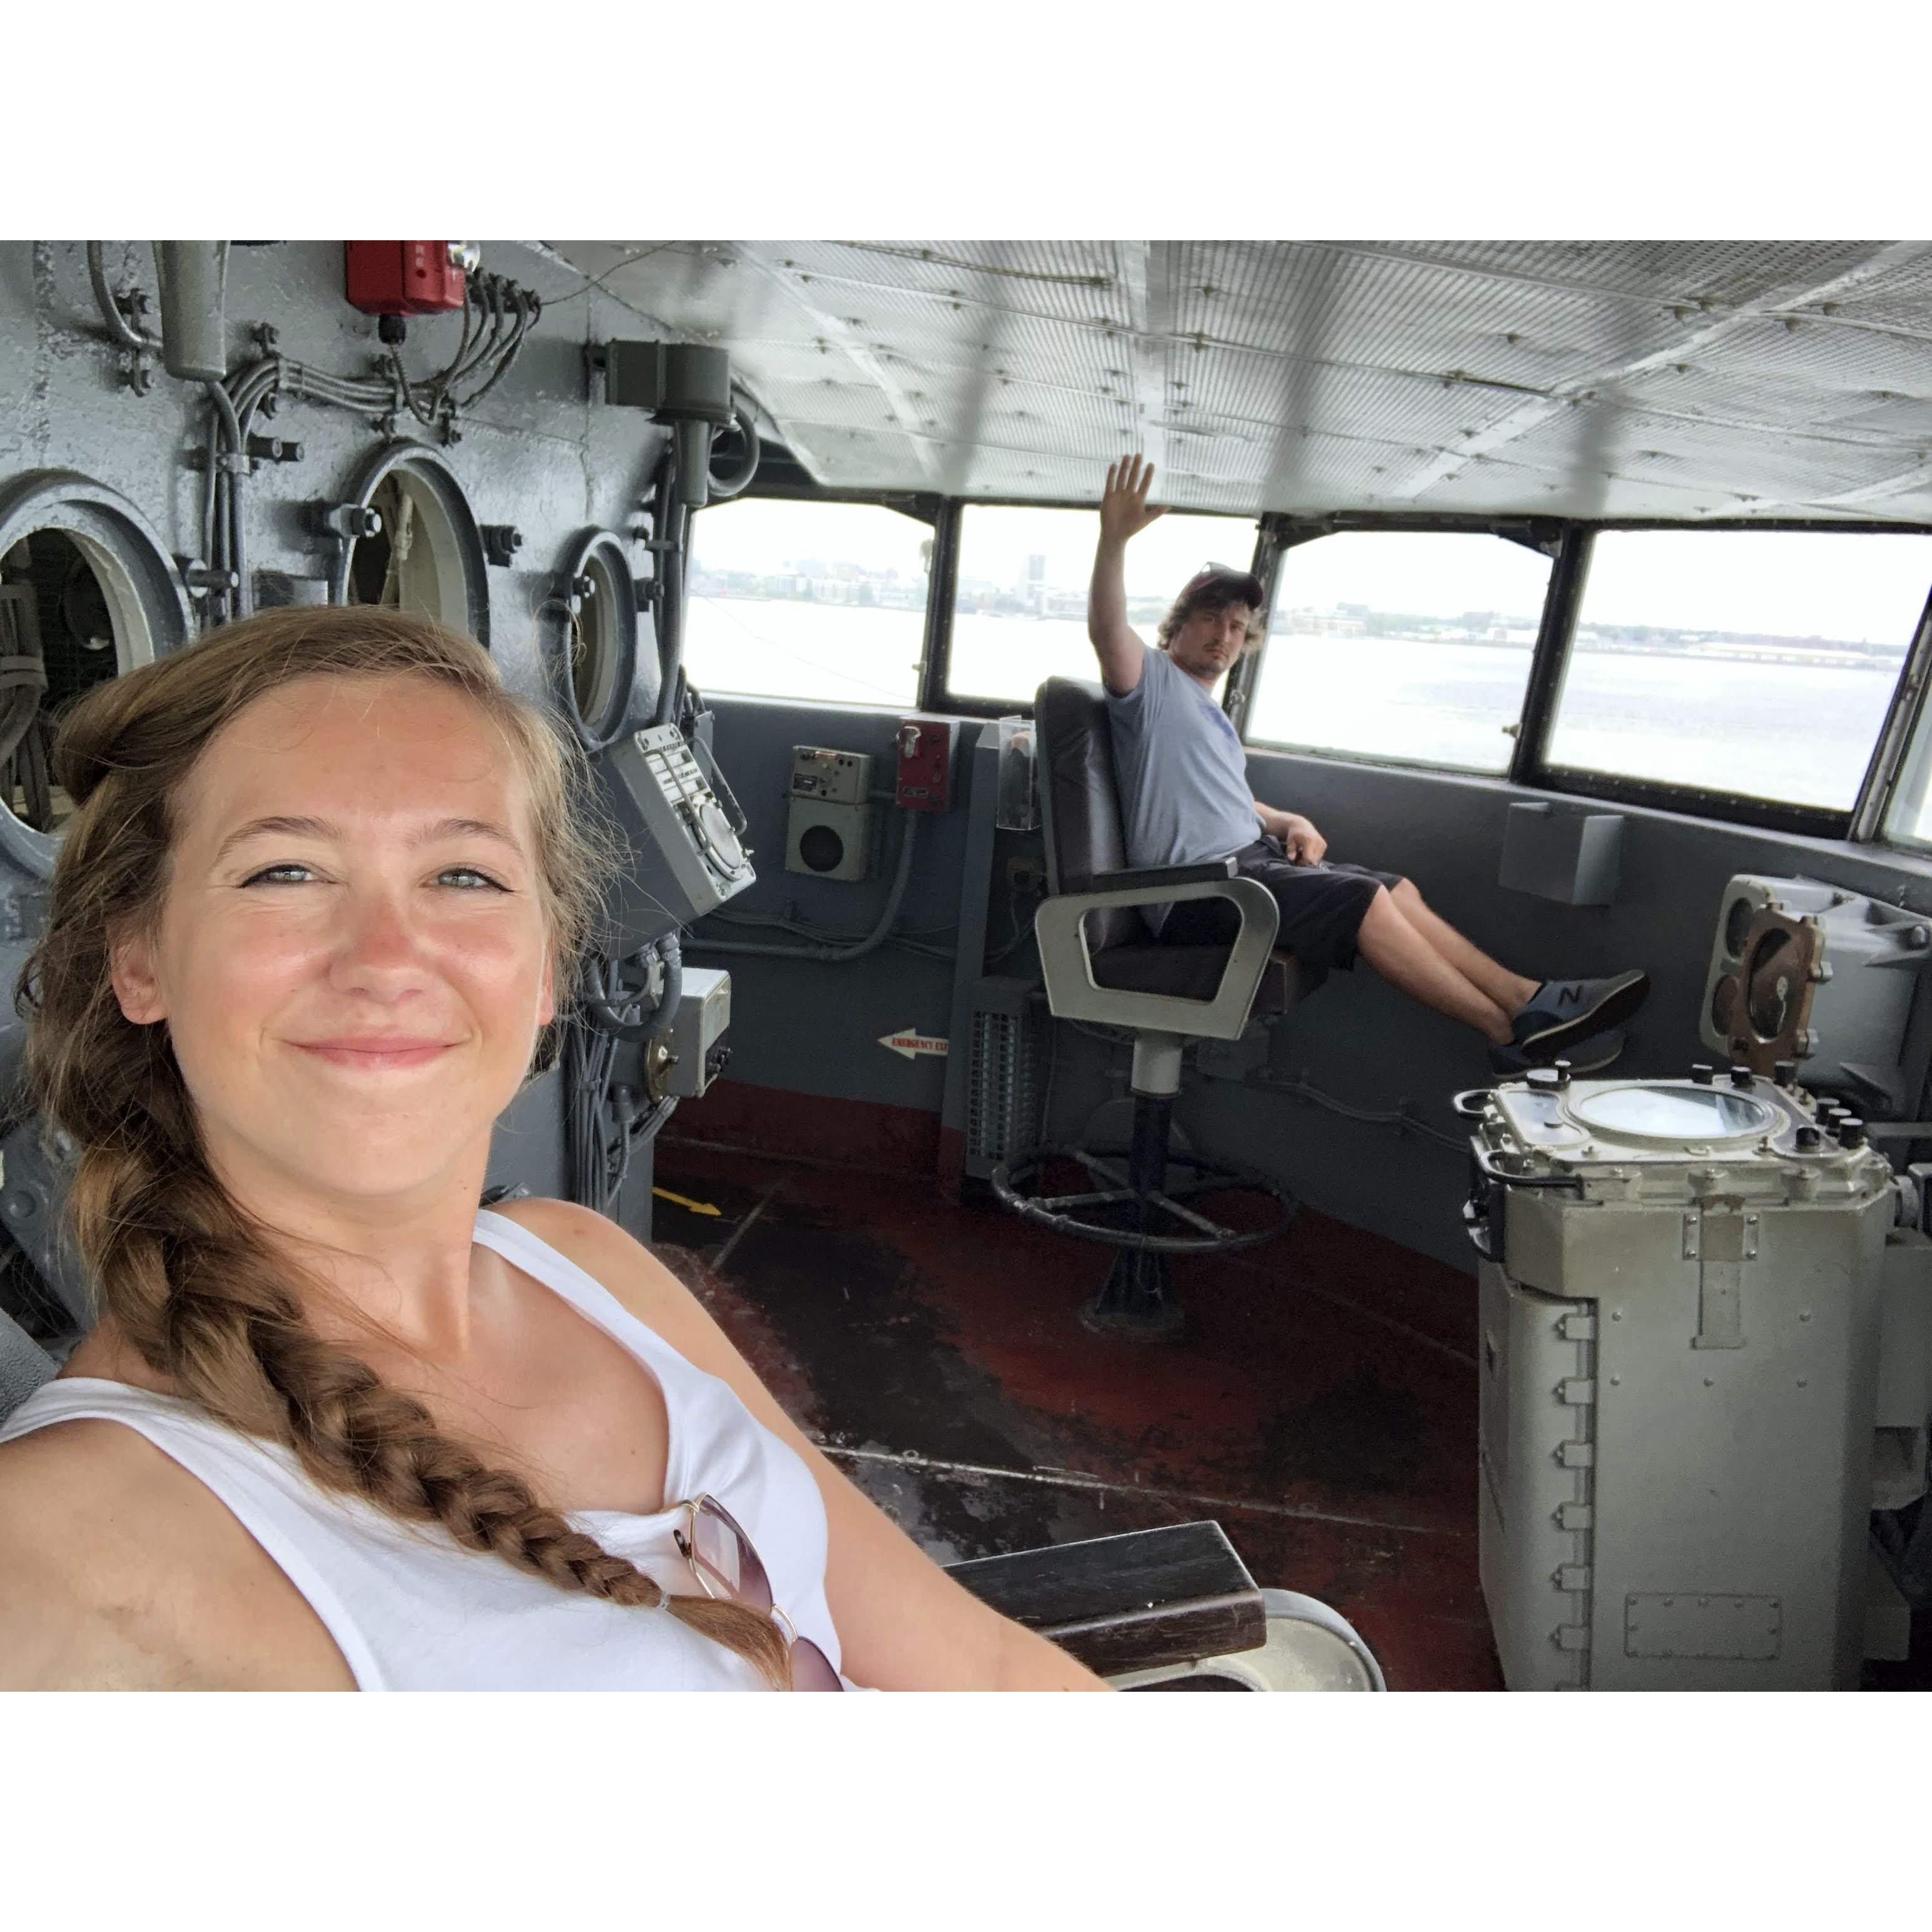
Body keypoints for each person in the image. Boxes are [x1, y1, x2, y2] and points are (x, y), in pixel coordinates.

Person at [0, 606, 1105, 1692]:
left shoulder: (582, 1260)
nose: (388, 957)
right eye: (284, 871)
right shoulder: (63, 1547)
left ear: (543, 971)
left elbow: (987, 1668)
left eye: (465, 876)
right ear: (138, 958)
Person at [1089, 456, 1649, 1073]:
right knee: (1359, 899)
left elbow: (1214, 798)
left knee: (1395, 889)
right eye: (1208, 620)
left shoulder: (1201, 711)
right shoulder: (1149, 687)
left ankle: (1531, 999)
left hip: (1244, 865)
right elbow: (1106, 628)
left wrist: (1284, 820)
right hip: (1197, 892)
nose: (1223, 635)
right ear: (1176, 627)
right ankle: (1508, 1033)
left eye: (1235, 626)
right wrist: (1112, 541)